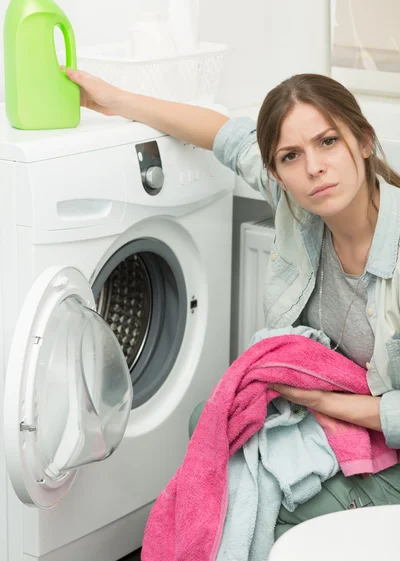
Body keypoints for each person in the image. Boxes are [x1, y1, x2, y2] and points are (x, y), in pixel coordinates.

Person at [66, 67, 400, 536]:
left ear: (363, 141)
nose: (313, 167)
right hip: (332, 423)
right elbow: (223, 134)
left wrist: (323, 401)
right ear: (276, 174)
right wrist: (115, 100)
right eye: (291, 156)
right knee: (211, 426)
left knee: (273, 516)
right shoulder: (299, 206)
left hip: (384, 442)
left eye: (328, 142)